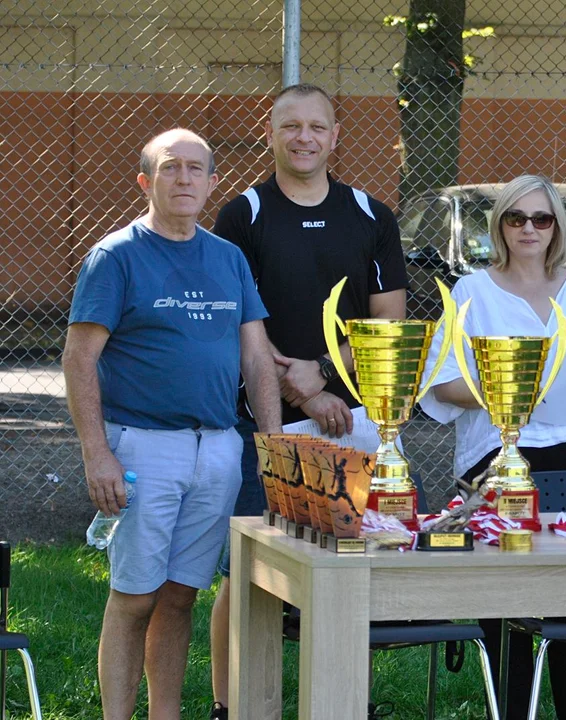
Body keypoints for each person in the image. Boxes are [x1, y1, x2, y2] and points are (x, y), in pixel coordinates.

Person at [63, 128, 281, 720]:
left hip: (216, 450)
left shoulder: (227, 257)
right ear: (146, 181)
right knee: (134, 598)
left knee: (181, 596)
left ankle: (167, 714)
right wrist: (95, 453)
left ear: (213, 182)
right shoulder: (116, 256)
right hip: (141, 448)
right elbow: (79, 357)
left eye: (195, 169)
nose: (183, 179)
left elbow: (256, 355)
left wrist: (272, 441)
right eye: (169, 168)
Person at [207, 83, 408, 719]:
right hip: (260, 421)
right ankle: (230, 703)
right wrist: (292, 387)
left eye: (316, 126)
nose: (304, 138)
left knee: (356, 566)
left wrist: (320, 376)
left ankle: (347, 700)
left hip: (351, 419)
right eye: (290, 126)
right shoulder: (243, 214)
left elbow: (388, 325)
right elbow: (238, 320)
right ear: (271, 134)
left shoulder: (372, 216)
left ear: (335, 136)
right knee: (248, 574)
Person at [420, 175, 566, 719]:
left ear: (557, 227)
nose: (529, 228)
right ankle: (511, 710)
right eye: (516, 218)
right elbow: (444, 384)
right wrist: (512, 390)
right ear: (500, 225)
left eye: (542, 218)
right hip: (499, 461)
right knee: (508, 607)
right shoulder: (472, 292)